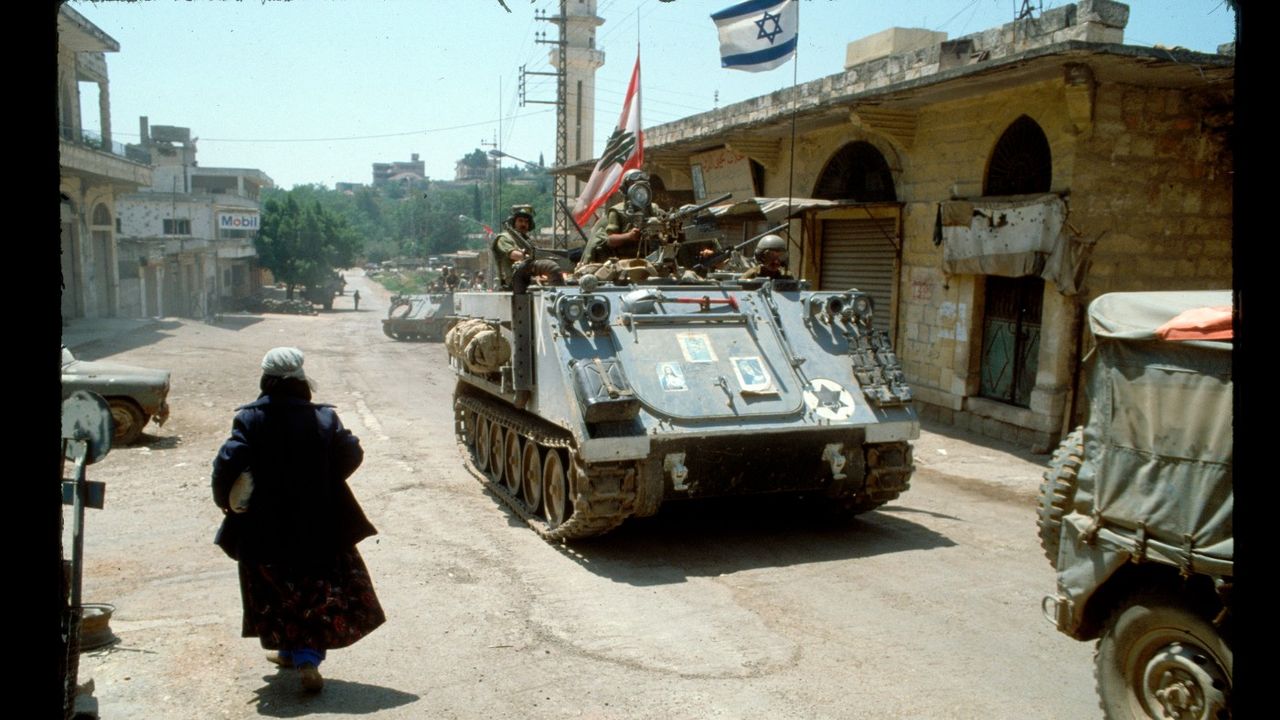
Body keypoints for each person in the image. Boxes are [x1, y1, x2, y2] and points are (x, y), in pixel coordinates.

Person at [211, 347, 385, 694]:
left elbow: (230, 460)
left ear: (266, 379)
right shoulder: (322, 418)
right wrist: (325, 479)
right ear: (302, 379)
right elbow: (351, 451)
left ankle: (292, 652)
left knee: (278, 589)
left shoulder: (250, 419)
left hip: (265, 526)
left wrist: (226, 502)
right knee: (314, 589)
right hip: (318, 524)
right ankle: (303, 658)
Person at [579, 169, 665, 266]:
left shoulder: (654, 210)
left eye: (643, 187)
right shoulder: (617, 211)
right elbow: (610, 240)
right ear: (624, 189)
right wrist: (629, 236)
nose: (640, 191)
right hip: (624, 262)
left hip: (654, 260)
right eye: (635, 187)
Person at [491, 205, 539, 290]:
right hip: (511, 286)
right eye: (520, 221)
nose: (523, 224)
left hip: (528, 283)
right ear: (514, 222)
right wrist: (531, 258)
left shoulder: (527, 241)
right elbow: (514, 255)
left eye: (526, 222)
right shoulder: (504, 238)